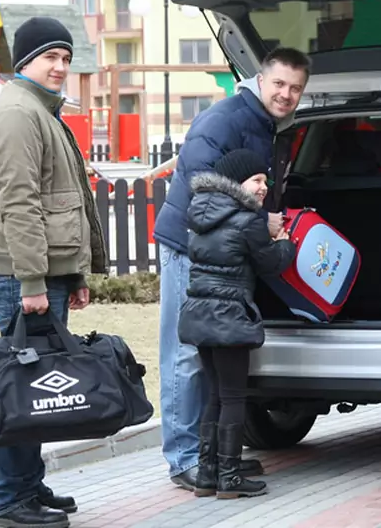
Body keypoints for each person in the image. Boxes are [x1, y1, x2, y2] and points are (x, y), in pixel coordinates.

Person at [151, 47, 311, 491]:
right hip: (189, 247)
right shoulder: (225, 119)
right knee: (186, 353)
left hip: (219, 252)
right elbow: (203, 187)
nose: (286, 94)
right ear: (260, 80)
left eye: (295, 88)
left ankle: (216, 460)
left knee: (210, 355)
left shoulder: (268, 124)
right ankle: (184, 458)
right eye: (279, 84)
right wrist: (262, 222)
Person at [0, 17, 107, 528]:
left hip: (41, 275)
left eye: (67, 59)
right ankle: (11, 501)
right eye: (50, 57)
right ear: (24, 61)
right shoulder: (16, 114)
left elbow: (62, 199)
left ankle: (28, 486)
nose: (60, 67)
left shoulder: (39, 112)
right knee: (19, 388)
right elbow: (20, 205)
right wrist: (31, 283)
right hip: (19, 276)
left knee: (36, 389)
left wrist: (72, 276)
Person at [177, 149, 296, 499]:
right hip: (229, 317)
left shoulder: (199, 216)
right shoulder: (247, 222)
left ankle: (207, 474)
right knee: (233, 397)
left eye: (265, 181)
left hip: (198, 315)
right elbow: (271, 263)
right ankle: (229, 477)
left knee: (213, 396)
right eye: (257, 180)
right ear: (236, 184)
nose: (263, 188)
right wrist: (285, 244)